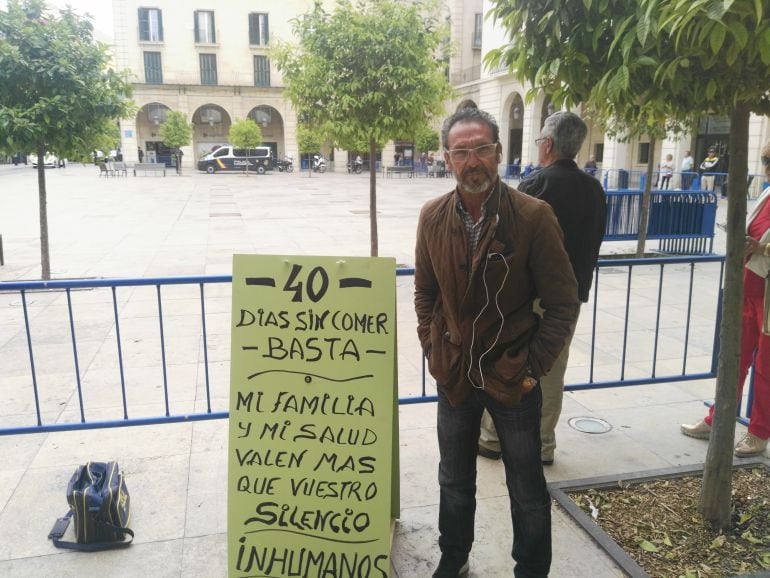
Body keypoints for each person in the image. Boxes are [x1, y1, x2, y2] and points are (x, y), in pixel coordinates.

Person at [414, 102, 580, 577]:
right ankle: (454, 556)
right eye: (461, 151)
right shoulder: (432, 217)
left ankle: (531, 568)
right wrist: (432, 345)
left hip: (512, 373)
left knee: (526, 486)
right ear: (446, 159)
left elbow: (562, 303)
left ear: (499, 152)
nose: (473, 160)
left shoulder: (532, 216)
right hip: (454, 373)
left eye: (482, 149)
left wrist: (532, 368)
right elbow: (425, 292)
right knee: (453, 478)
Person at [478, 111, 607, 466]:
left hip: (528, 297)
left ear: (547, 144)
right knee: (551, 370)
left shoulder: (536, 185)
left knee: (507, 361)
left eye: (538, 142)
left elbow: (508, 242)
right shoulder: (594, 189)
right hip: (569, 299)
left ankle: (492, 438)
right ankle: (542, 445)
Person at [680, 142, 770, 458]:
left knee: (765, 368)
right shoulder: (766, 194)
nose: (767, 165)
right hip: (747, 287)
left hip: (768, 297)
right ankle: (718, 419)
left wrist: (762, 249)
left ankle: (759, 432)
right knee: (733, 358)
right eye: (765, 159)